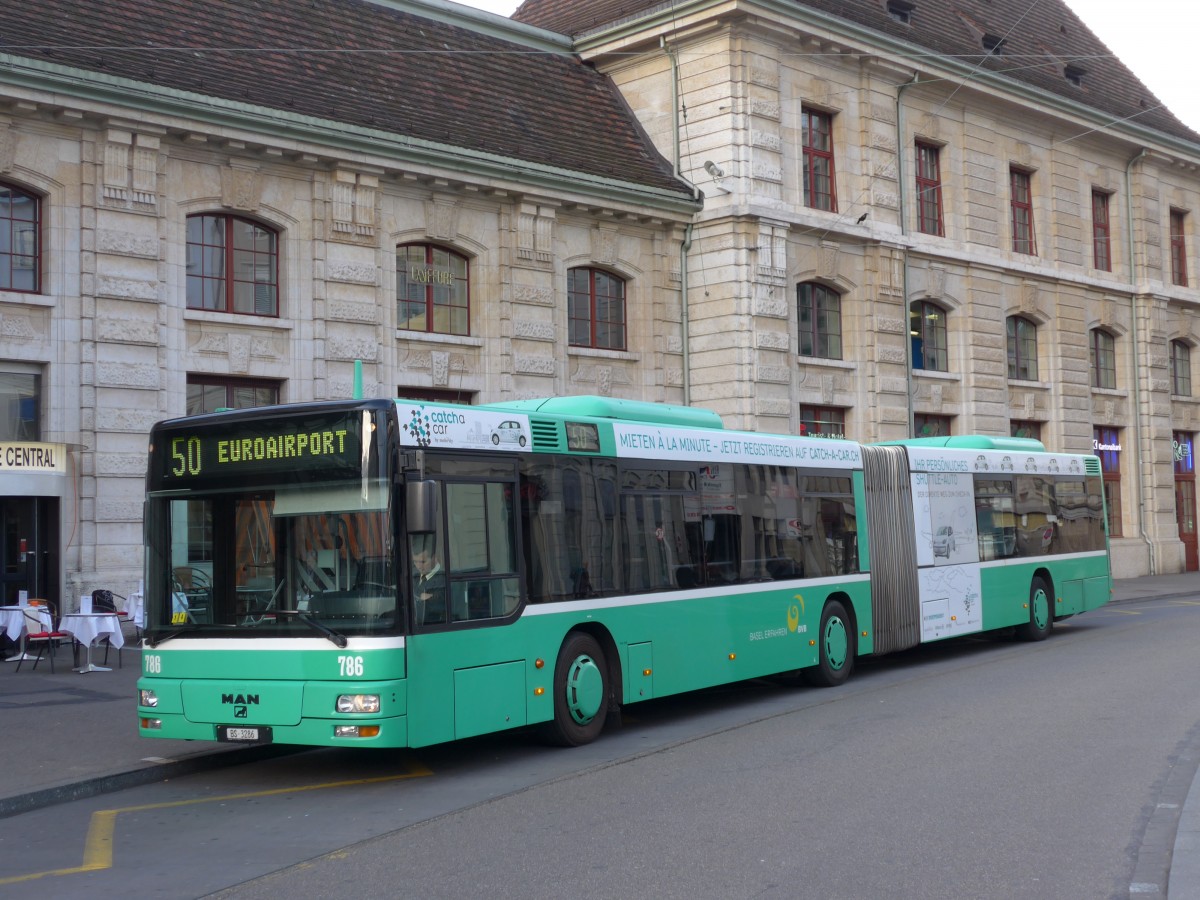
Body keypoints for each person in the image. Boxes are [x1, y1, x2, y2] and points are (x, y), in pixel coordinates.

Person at [411, 540, 446, 625]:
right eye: (415, 561)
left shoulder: (443, 580)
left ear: (434, 558)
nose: (418, 566)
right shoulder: (414, 574)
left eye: (423, 562)